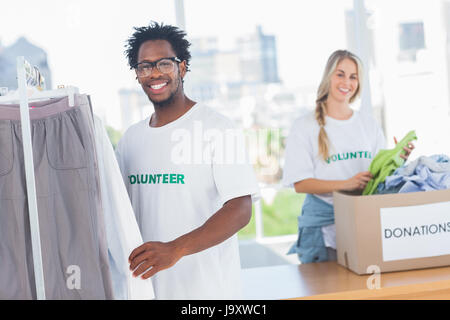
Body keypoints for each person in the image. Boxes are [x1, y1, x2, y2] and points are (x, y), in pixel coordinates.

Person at [115, 22, 260, 299]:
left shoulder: (218, 128)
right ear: (137, 75)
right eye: (144, 66)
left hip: (209, 292)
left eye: (164, 64)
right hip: (148, 289)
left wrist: (175, 249)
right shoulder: (130, 140)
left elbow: (241, 209)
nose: (154, 73)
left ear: (182, 68)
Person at [282, 50, 414, 264]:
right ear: (328, 77)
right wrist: (346, 184)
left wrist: (398, 159)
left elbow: (377, 177)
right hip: (323, 233)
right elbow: (301, 184)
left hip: (362, 223)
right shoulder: (304, 126)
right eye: (340, 74)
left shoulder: (368, 124)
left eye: (353, 76)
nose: (347, 82)